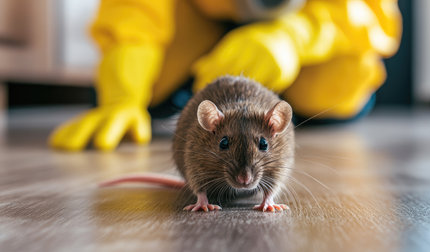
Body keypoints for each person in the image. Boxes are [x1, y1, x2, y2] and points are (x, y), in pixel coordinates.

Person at [49, 0, 402, 151]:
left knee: (340, 83)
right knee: (150, 76)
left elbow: (369, 14)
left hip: (314, 26)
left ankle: (297, 95)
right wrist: (124, 94)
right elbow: (134, 13)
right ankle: (171, 90)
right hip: (201, 20)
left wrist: (295, 37)